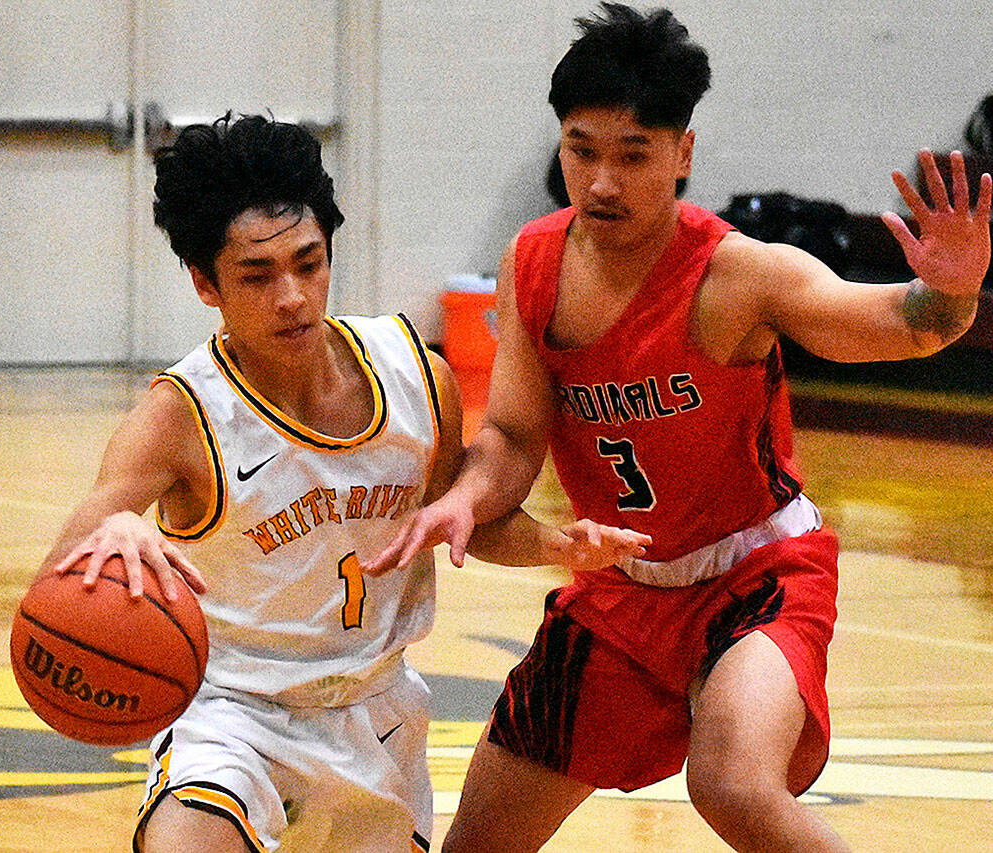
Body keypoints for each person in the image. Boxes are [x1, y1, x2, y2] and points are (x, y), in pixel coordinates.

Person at [364, 5, 992, 852]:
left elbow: (902, 325)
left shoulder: (735, 274)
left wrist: (950, 290)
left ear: (683, 154)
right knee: (480, 839)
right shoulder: (533, 262)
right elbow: (512, 435)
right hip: (622, 587)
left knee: (731, 783)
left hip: (757, 573)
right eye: (582, 150)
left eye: (634, 155)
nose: (603, 183)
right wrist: (466, 497)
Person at [35, 113, 647, 853]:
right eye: (257, 276)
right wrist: (116, 530)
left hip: (376, 715)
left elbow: (461, 519)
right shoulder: (181, 414)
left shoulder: (417, 375)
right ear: (205, 283)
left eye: (308, 262)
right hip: (234, 713)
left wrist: (558, 544)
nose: (292, 295)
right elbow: (55, 577)